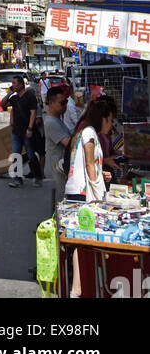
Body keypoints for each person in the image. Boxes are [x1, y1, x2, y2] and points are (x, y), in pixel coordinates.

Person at [64, 97, 114, 298]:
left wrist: (102, 174)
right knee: (81, 240)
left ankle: (79, 288)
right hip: (82, 194)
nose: (111, 125)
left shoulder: (87, 132)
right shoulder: (89, 133)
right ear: (102, 118)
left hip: (82, 191)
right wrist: (97, 189)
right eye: (110, 120)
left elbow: (90, 164)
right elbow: (89, 165)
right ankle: (77, 290)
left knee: (82, 240)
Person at [5, 75, 42, 188]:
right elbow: (2, 105)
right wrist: (9, 93)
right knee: (16, 154)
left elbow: (33, 112)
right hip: (16, 131)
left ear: (21, 84)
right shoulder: (14, 98)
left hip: (27, 131)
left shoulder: (30, 96)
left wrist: (30, 128)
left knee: (31, 155)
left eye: (15, 83)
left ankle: (38, 176)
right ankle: (17, 179)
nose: (13, 85)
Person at [43, 86, 72, 205]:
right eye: (62, 102)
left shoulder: (57, 120)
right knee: (64, 202)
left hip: (64, 168)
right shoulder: (51, 122)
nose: (65, 105)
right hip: (60, 170)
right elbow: (68, 143)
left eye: (66, 102)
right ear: (51, 103)